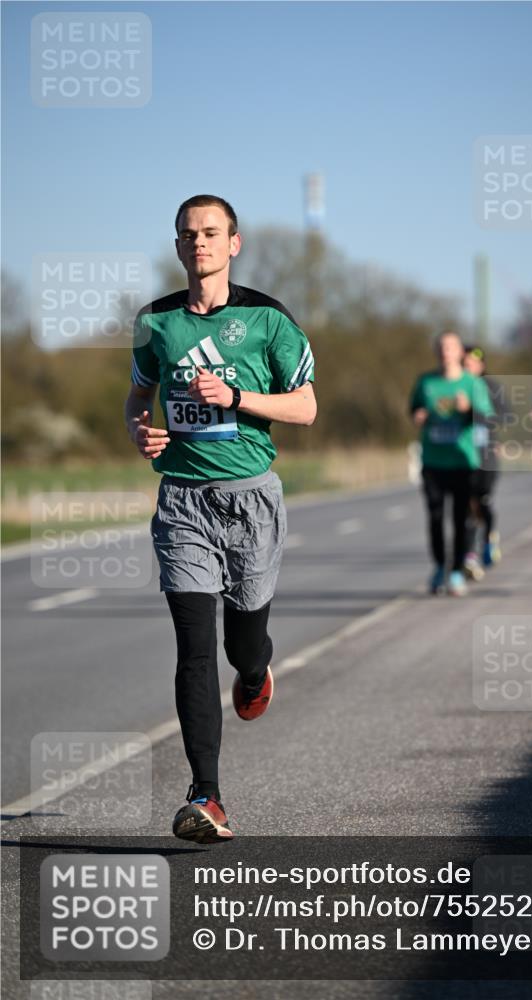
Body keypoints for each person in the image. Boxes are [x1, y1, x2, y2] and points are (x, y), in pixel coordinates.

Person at [125, 194, 316, 842]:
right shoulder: (155, 322)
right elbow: (138, 395)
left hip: (251, 499)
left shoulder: (267, 319)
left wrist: (236, 396)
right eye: (187, 234)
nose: (198, 243)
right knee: (194, 648)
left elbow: (306, 408)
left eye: (210, 233)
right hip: (181, 501)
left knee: (241, 646)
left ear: (234, 243)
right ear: (177, 246)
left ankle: (258, 670)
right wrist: (138, 431)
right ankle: (206, 796)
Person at [410, 331, 493, 597]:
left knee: (460, 518)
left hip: (462, 461)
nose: (446, 351)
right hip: (433, 461)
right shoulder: (426, 382)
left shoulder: (472, 383)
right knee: (435, 517)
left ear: (460, 353)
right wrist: (418, 415)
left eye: (451, 347)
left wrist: (468, 408)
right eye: (442, 347)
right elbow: (413, 408)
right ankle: (438, 567)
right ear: (437, 352)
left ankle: (456, 571)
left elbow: (487, 418)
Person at [462, 344, 503, 577]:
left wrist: (478, 412)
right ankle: (470, 555)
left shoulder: (490, 387)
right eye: (465, 363)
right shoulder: (456, 386)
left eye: (473, 363)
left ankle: (489, 537)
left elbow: (503, 414)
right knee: (469, 506)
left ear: (481, 365)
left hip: (487, 456)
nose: (469, 367)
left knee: (483, 502)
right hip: (465, 456)